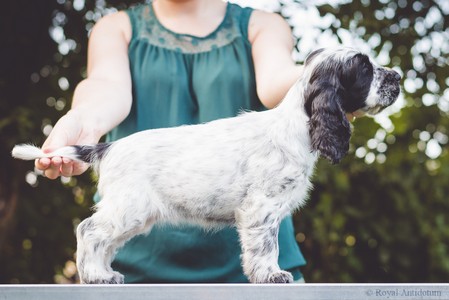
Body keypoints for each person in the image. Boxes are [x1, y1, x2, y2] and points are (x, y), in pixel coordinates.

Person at [36, 0, 307, 283]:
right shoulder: (116, 28)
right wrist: (84, 121)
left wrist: (324, 77)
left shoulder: (263, 25)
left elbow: (276, 82)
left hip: (261, 277)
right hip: (133, 277)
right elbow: (107, 86)